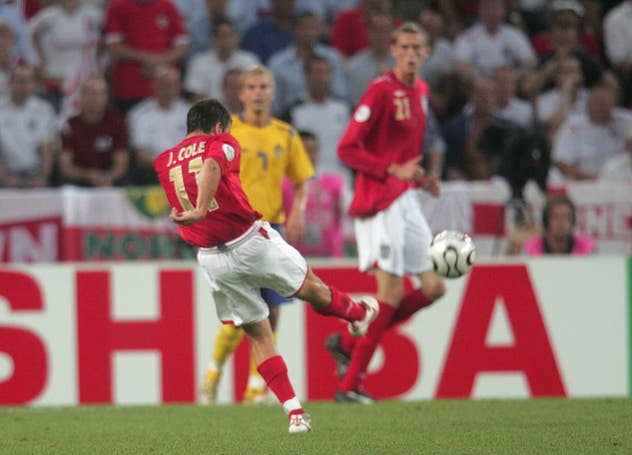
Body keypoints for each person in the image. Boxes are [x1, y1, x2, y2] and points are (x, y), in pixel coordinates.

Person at [154, 98, 379, 432]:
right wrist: (202, 208)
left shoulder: (163, 161)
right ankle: (358, 315)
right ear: (219, 127)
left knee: (258, 334)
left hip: (213, 259)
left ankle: (295, 414)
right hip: (249, 242)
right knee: (311, 289)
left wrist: (198, 215)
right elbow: (212, 166)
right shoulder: (222, 142)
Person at [328, 22, 446, 403]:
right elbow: (346, 149)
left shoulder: (422, 91)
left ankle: (348, 342)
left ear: (427, 52)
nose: (412, 54)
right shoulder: (380, 90)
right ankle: (350, 387)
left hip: (406, 197)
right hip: (380, 201)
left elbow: (403, 154)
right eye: (405, 47)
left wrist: (420, 177)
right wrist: (391, 171)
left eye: (418, 48)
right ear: (393, 50)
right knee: (391, 293)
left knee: (434, 287)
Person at [200, 65, 316, 405]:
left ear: (273, 92)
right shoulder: (228, 135)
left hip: (271, 229)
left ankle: (254, 389)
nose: (259, 92)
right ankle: (212, 376)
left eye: (264, 86)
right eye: (252, 87)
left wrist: (299, 210)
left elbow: (302, 179)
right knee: (241, 315)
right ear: (241, 94)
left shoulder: (286, 134)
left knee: (273, 311)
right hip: (234, 231)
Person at [57, 76, 130, 186]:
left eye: (100, 93)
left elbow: (121, 164)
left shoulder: (117, 122)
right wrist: (88, 176)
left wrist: (108, 177)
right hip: (79, 182)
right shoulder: (70, 125)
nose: (95, 98)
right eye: (90, 93)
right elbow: (65, 166)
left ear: (107, 97)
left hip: (110, 181)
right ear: (81, 96)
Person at [127, 66, 190, 184]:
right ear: (154, 86)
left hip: (185, 169)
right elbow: (141, 154)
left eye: (172, 84)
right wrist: (168, 165)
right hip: (153, 170)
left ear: (179, 87)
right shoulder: (139, 113)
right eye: (164, 84)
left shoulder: (191, 112)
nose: (168, 89)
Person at [0, 64, 58, 188]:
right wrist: (5, 178)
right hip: (6, 172)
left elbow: (47, 149)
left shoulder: (44, 109)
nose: (24, 85)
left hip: (35, 172)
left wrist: (42, 177)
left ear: (34, 84)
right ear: (10, 84)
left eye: (28, 81)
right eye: (20, 81)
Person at [523, 195, 595, 255]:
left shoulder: (586, 248)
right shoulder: (531, 249)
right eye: (555, 217)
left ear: (573, 221)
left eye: (566, 217)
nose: (561, 222)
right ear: (546, 220)